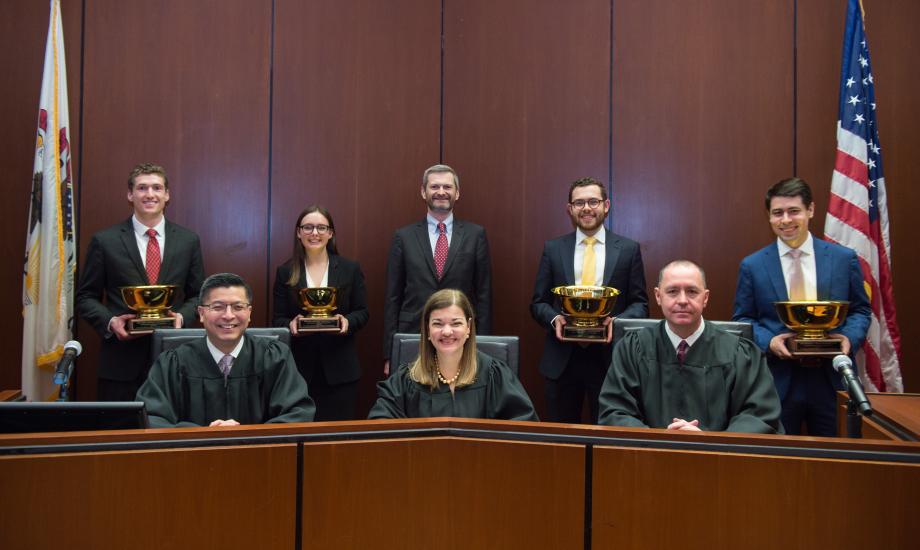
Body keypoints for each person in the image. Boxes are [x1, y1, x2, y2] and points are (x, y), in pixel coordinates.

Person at [732, 177, 871, 436]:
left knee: (838, 460)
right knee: (780, 462)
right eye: (777, 213)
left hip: (831, 381)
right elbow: (743, 318)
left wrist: (848, 338)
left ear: (811, 210)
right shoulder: (752, 266)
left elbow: (861, 311)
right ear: (769, 217)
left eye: (794, 211)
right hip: (778, 381)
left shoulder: (843, 259)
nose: (786, 220)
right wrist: (770, 341)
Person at [599, 261, 783, 433]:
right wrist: (658, 440)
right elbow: (615, 412)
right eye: (672, 291)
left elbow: (759, 416)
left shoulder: (741, 353)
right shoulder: (632, 348)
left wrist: (709, 442)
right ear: (658, 296)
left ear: (705, 297)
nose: (682, 300)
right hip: (648, 460)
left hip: (719, 464)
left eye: (692, 291)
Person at [76, 163, 205, 401]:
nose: (149, 194)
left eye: (157, 188)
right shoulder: (105, 241)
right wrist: (111, 321)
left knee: (173, 435)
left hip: (175, 359)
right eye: (142, 188)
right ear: (130, 194)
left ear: (167, 195)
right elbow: (85, 297)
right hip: (121, 363)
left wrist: (182, 317)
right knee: (120, 434)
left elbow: (199, 295)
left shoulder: (188, 240)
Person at [530, 177, 648, 423]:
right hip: (562, 359)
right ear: (569, 209)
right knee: (561, 441)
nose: (586, 208)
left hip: (609, 359)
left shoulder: (628, 249)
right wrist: (555, 320)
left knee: (607, 439)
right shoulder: (553, 248)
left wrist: (616, 323)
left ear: (606, 205)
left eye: (593, 201)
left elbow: (640, 304)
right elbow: (538, 302)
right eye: (579, 202)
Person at [137, 273, 315, 427]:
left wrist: (246, 435)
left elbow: (298, 413)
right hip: (191, 460)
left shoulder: (274, 356)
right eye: (218, 307)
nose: (228, 315)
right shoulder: (173, 362)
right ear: (201, 313)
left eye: (238, 307)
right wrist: (203, 435)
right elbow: (151, 418)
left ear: (250, 313)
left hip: (261, 458)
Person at [383, 164, 492, 376]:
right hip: (412, 335)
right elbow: (392, 297)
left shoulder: (475, 235)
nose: (441, 192)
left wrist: (484, 346)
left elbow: (484, 295)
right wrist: (390, 352)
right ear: (423, 192)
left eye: (447, 187)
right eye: (434, 187)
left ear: (457, 193)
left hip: (460, 338)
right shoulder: (403, 237)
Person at [369, 289, 537, 421]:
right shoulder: (406, 380)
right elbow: (381, 426)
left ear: (469, 327)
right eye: (438, 323)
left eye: (456, 323)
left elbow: (522, 429)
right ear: (427, 328)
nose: (447, 331)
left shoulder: (495, 375)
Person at [272, 205, 368, 421]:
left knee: (337, 441)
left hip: (341, 371)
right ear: (298, 232)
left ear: (330, 233)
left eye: (321, 228)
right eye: (308, 227)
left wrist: (347, 322)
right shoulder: (285, 271)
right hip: (299, 372)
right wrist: (290, 325)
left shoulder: (349, 268)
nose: (314, 233)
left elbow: (362, 312)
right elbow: (277, 318)